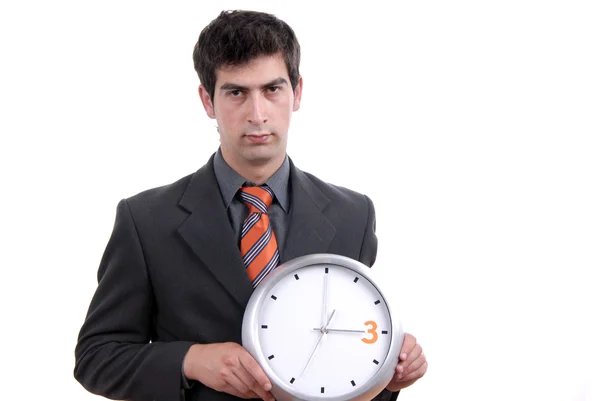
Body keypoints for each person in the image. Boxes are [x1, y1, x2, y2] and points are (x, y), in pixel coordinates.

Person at [74, 9, 427, 401]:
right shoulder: (146, 221)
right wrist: (190, 360)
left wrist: (389, 374)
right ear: (208, 100)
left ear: (298, 92)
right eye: (236, 92)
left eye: (272, 89)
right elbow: (96, 357)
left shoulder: (353, 216)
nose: (257, 115)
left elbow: (349, 358)